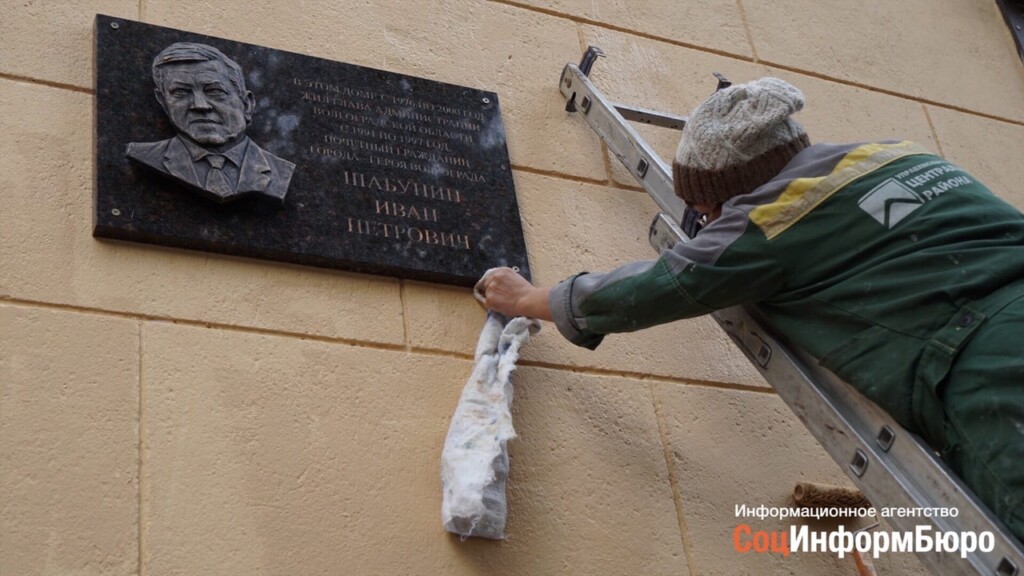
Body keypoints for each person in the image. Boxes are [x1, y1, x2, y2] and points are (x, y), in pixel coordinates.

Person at [479, 77, 1024, 541]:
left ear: (737, 193)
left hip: (990, 371)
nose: (706, 221)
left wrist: (528, 298)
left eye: (704, 208)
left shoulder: (770, 221)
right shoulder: (902, 155)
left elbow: (651, 287)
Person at [127, 42, 296, 204]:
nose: (200, 105)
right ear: (164, 103)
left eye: (215, 91)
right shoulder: (145, 157)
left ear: (246, 104)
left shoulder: (280, 171)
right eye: (181, 92)